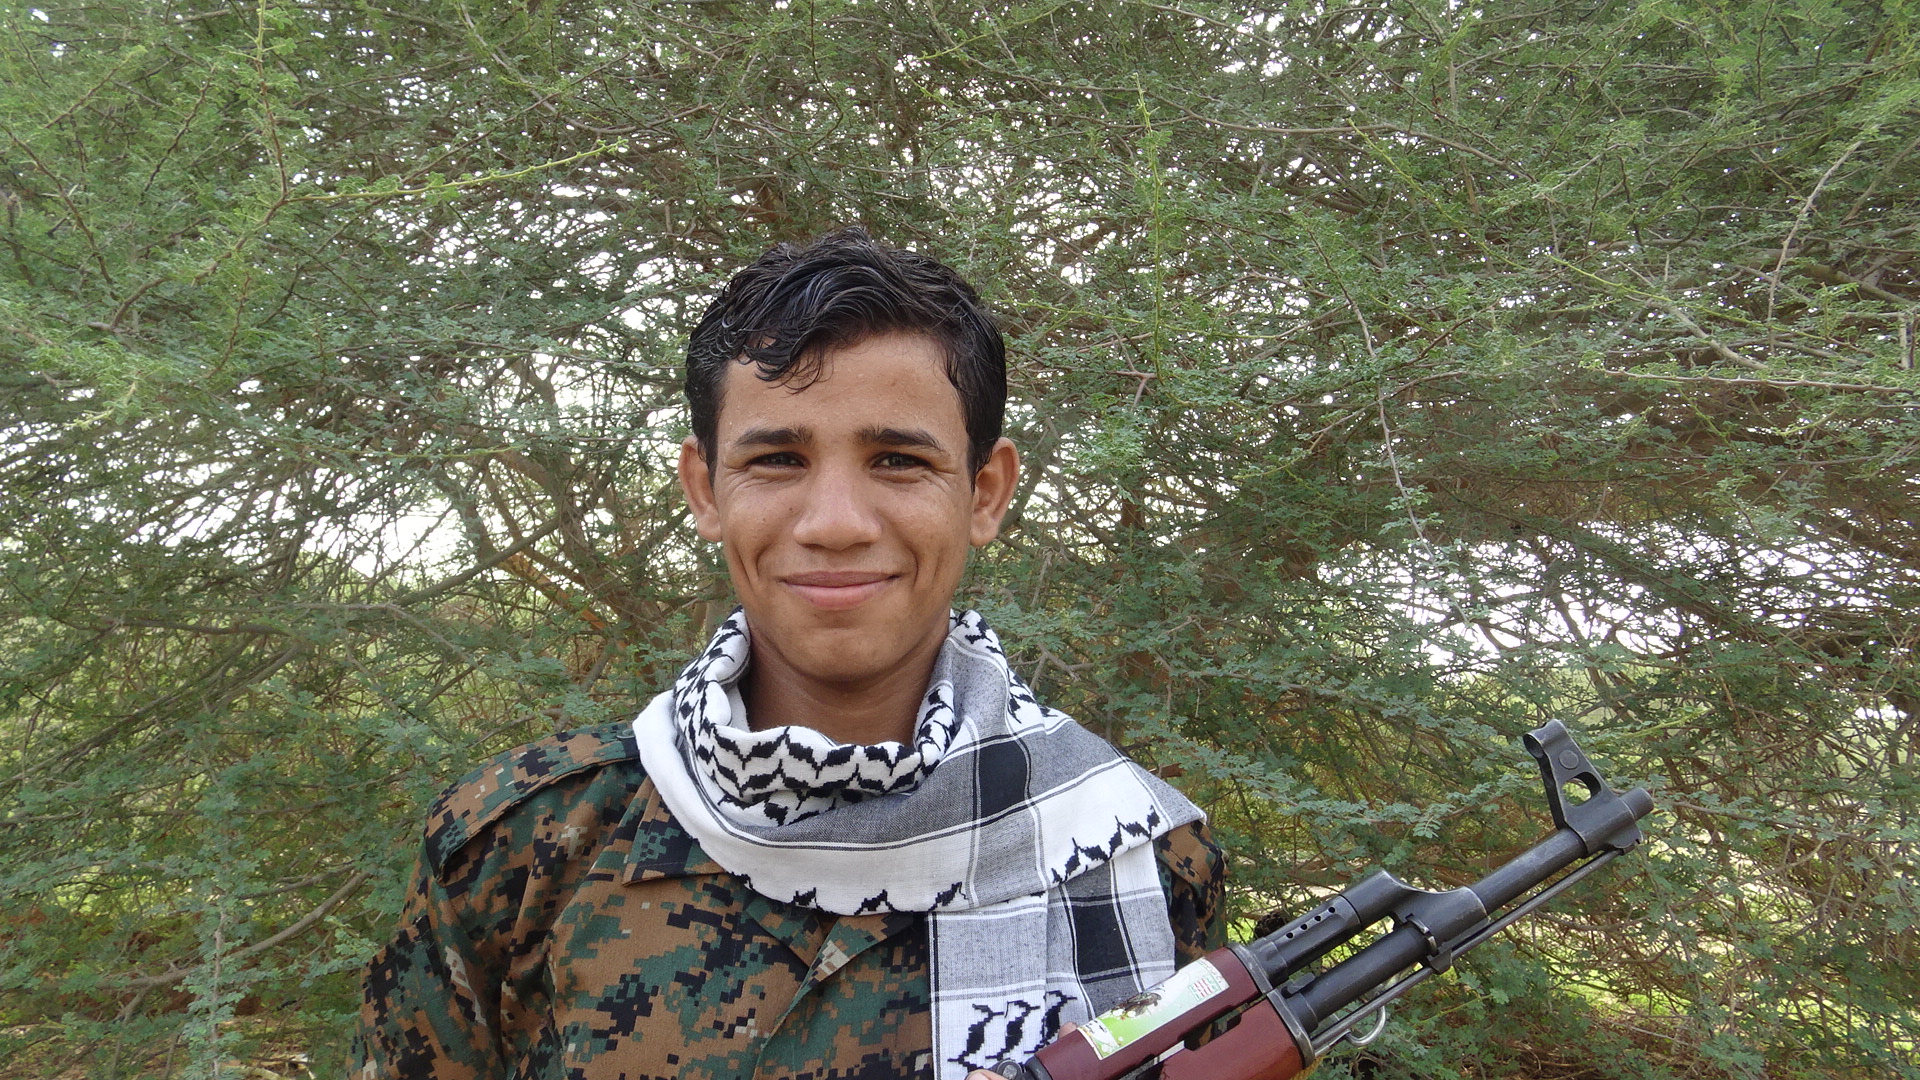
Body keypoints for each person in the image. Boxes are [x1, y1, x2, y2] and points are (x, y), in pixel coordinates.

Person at [353, 229, 1226, 1080]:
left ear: (985, 493)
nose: (835, 523)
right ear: (706, 489)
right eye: (777, 459)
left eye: (898, 460)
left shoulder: (1134, 850)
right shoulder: (523, 845)